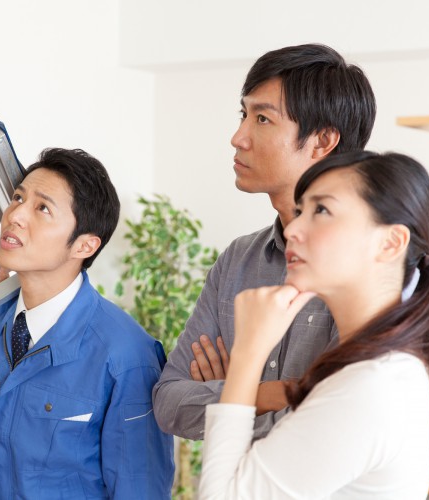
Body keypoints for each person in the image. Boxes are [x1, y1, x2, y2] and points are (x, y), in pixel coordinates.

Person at [197, 151, 429, 499]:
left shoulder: (371, 385)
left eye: (322, 211)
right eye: (300, 211)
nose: (294, 227)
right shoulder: (381, 369)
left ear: (390, 243)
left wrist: (247, 357)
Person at [153, 44, 377, 439]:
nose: (238, 138)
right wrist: (266, 393)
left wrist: (235, 389)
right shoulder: (239, 259)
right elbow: (169, 402)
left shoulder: (370, 267)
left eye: (262, 119)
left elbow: (327, 425)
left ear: (322, 141)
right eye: (244, 115)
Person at [0, 148, 175, 499]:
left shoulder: (127, 356)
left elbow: (140, 489)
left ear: (84, 245)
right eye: (17, 197)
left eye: (42, 208)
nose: (15, 215)